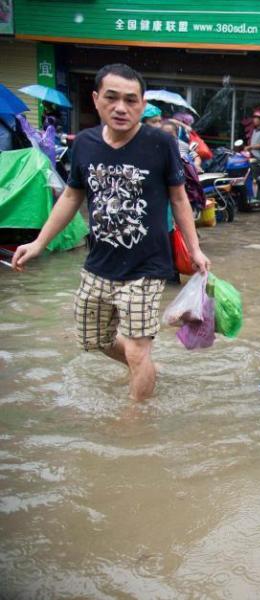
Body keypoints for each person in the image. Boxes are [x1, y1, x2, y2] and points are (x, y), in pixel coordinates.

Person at [11, 63, 210, 402]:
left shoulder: (161, 143)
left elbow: (179, 197)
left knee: (136, 348)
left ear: (142, 103)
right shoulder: (85, 144)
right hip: (98, 264)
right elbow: (73, 196)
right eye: (112, 98)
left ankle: (134, 422)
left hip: (147, 267)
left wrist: (194, 249)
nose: (121, 108)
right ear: (96, 99)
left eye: (131, 100)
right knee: (96, 340)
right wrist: (39, 242)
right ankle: (145, 368)